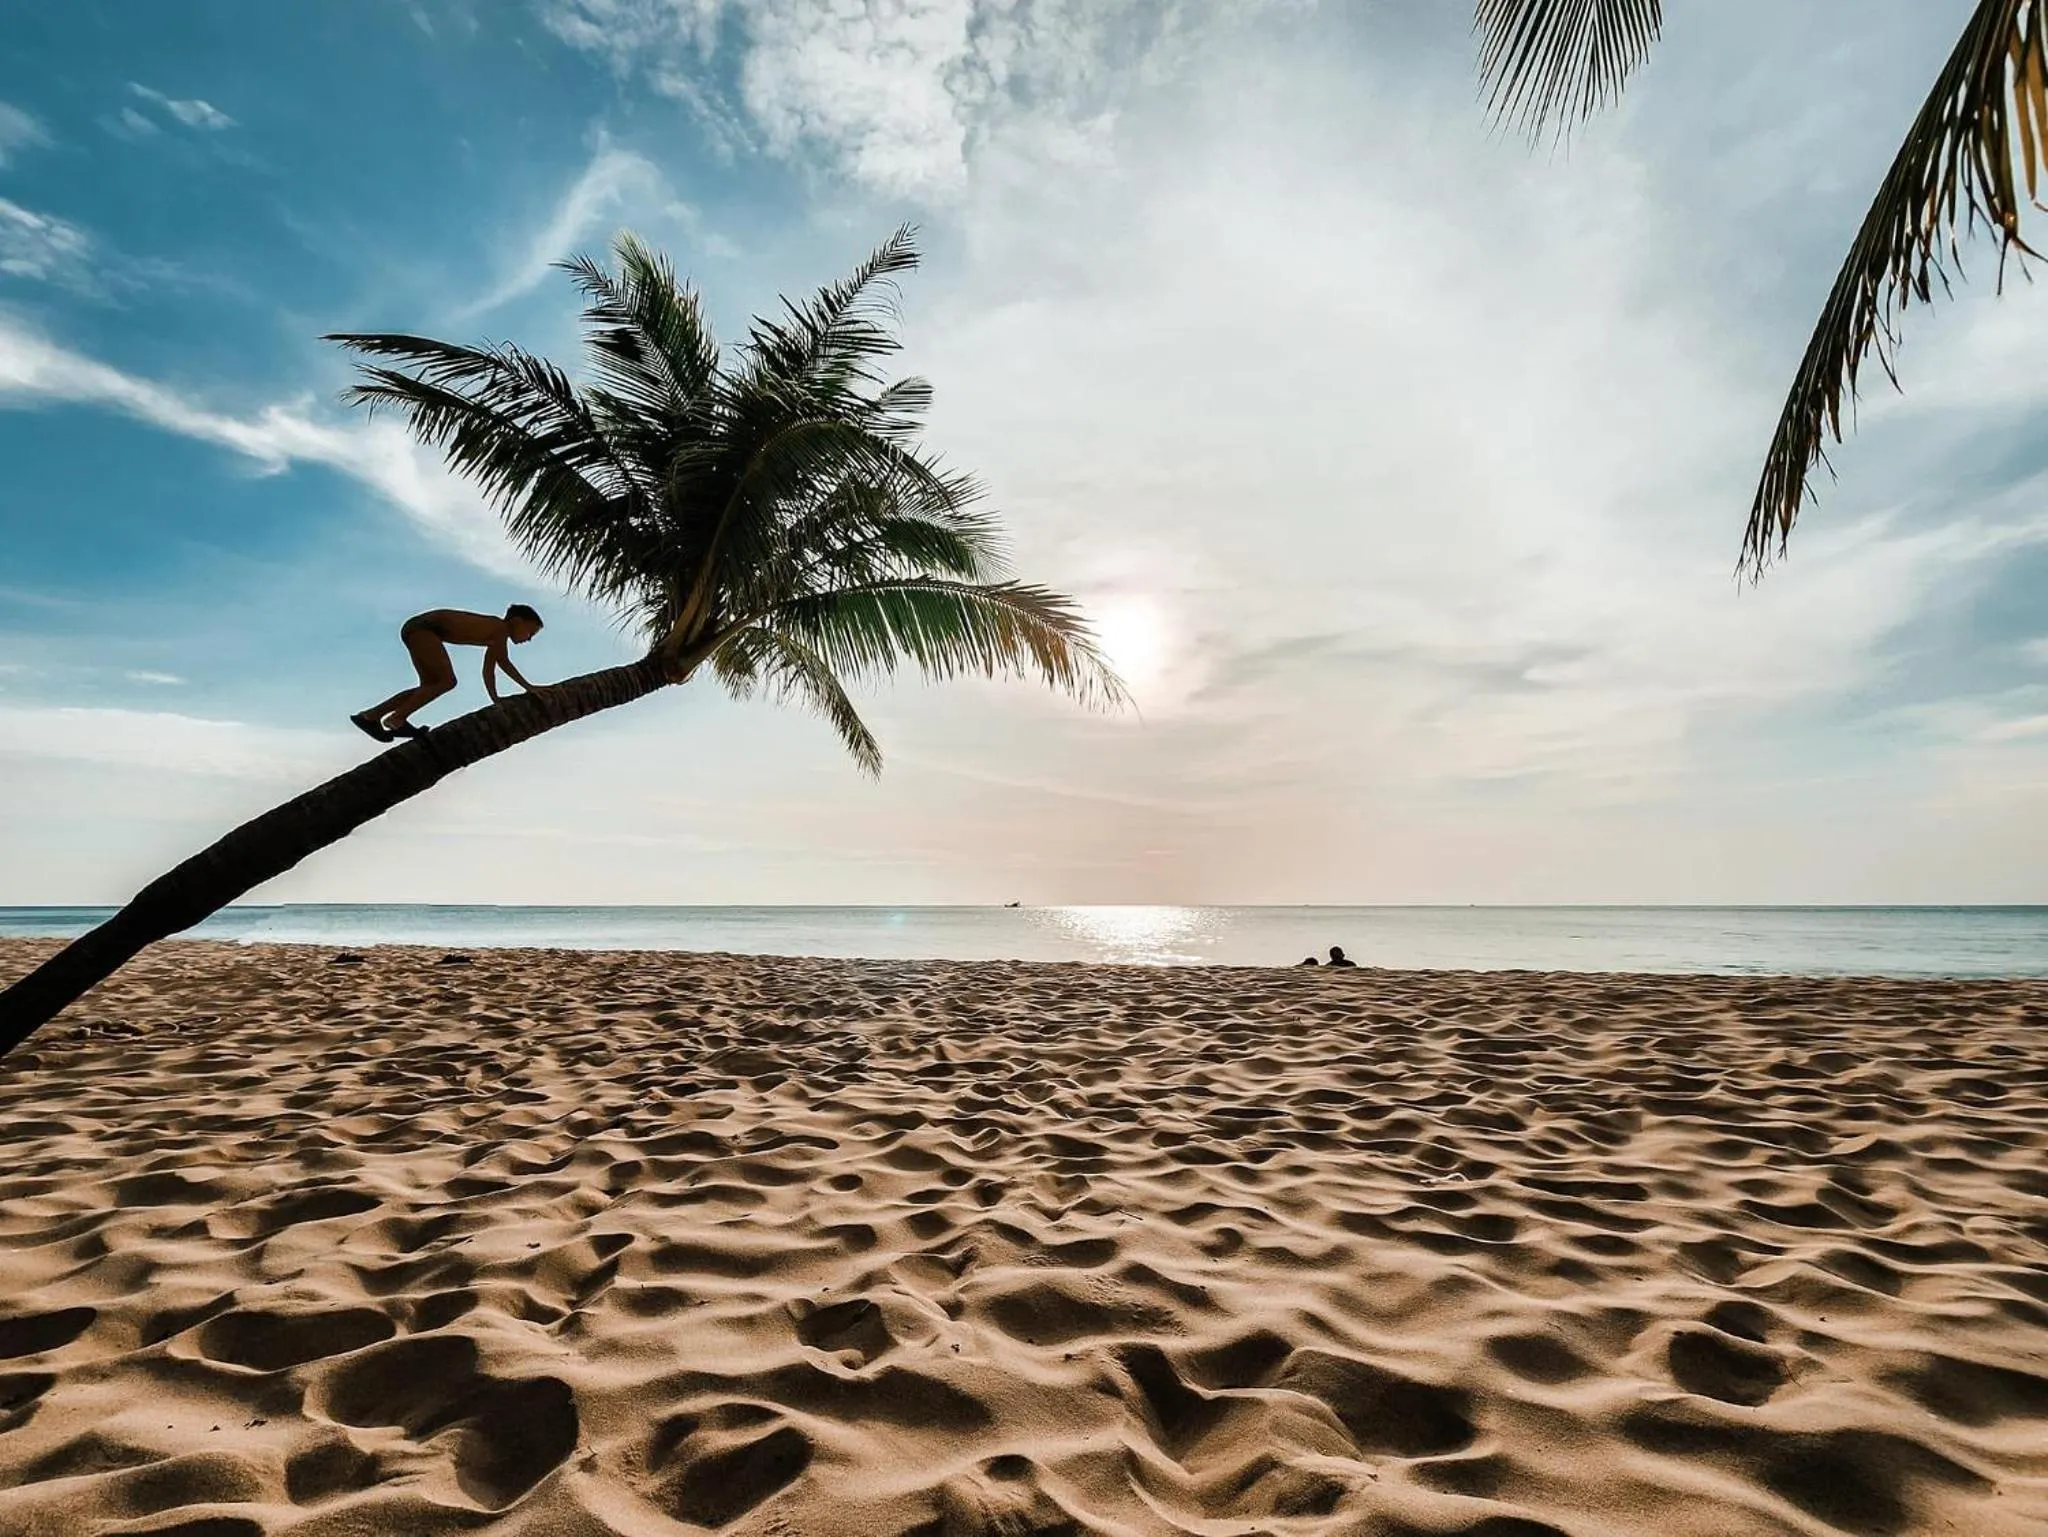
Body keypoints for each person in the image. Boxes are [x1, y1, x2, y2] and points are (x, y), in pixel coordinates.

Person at [351, 603, 546, 742]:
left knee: (429, 686)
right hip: (424, 629)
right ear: (517, 621)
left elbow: (489, 669)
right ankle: (396, 719)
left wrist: (495, 698)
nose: (528, 639)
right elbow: (503, 663)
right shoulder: (500, 628)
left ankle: (370, 716)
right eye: (530, 632)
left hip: (418, 629)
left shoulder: (495, 636)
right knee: (447, 681)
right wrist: (529, 687)